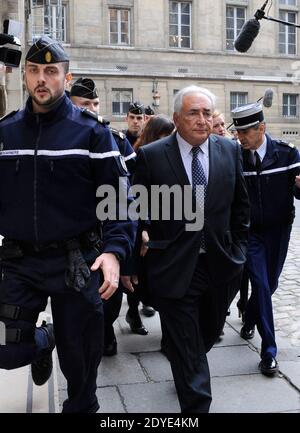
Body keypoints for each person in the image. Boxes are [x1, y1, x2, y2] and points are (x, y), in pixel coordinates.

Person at [0, 36, 136, 413]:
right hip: (20, 263)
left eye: (50, 71)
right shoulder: (6, 132)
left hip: (76, 263)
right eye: (33, 70)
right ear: (24, 75)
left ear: (66, 76)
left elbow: (122, 200)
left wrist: (113, 251)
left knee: (80, 376)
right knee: (7, 354)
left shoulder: (93, 133)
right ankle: (46, 339)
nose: (41, 79)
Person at [130, 85, 249, 413]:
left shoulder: (229, 150)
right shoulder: (152, 156)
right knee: (188, 349)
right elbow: (136, 210)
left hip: (221, 265)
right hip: (173, 265)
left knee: (206, 336)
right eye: (194, 113)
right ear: (176, 118)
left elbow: (241, 207)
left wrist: (239, 249)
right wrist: (139, 243)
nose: (202, 120)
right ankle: (196, 405)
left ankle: (188, 364)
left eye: (207, 113)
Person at [231, 102, 300, 376]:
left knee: (269, 284)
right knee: (260, 284)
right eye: (237, 132)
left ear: (262, 128)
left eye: (245, 132)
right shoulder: (236, 157)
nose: (240, 137)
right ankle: (269, 351)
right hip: (250, 234)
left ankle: (249, 316)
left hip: (279, 231)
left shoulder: (287, 154)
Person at [70, 76, 137, 356]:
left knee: (110, 301)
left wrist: (129, 258)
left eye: (95, 103)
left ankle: (106, 328)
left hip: (108, 235)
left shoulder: (116, 141)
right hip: (73, 240)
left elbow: (133, 198)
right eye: (85, 103)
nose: (93, 108)